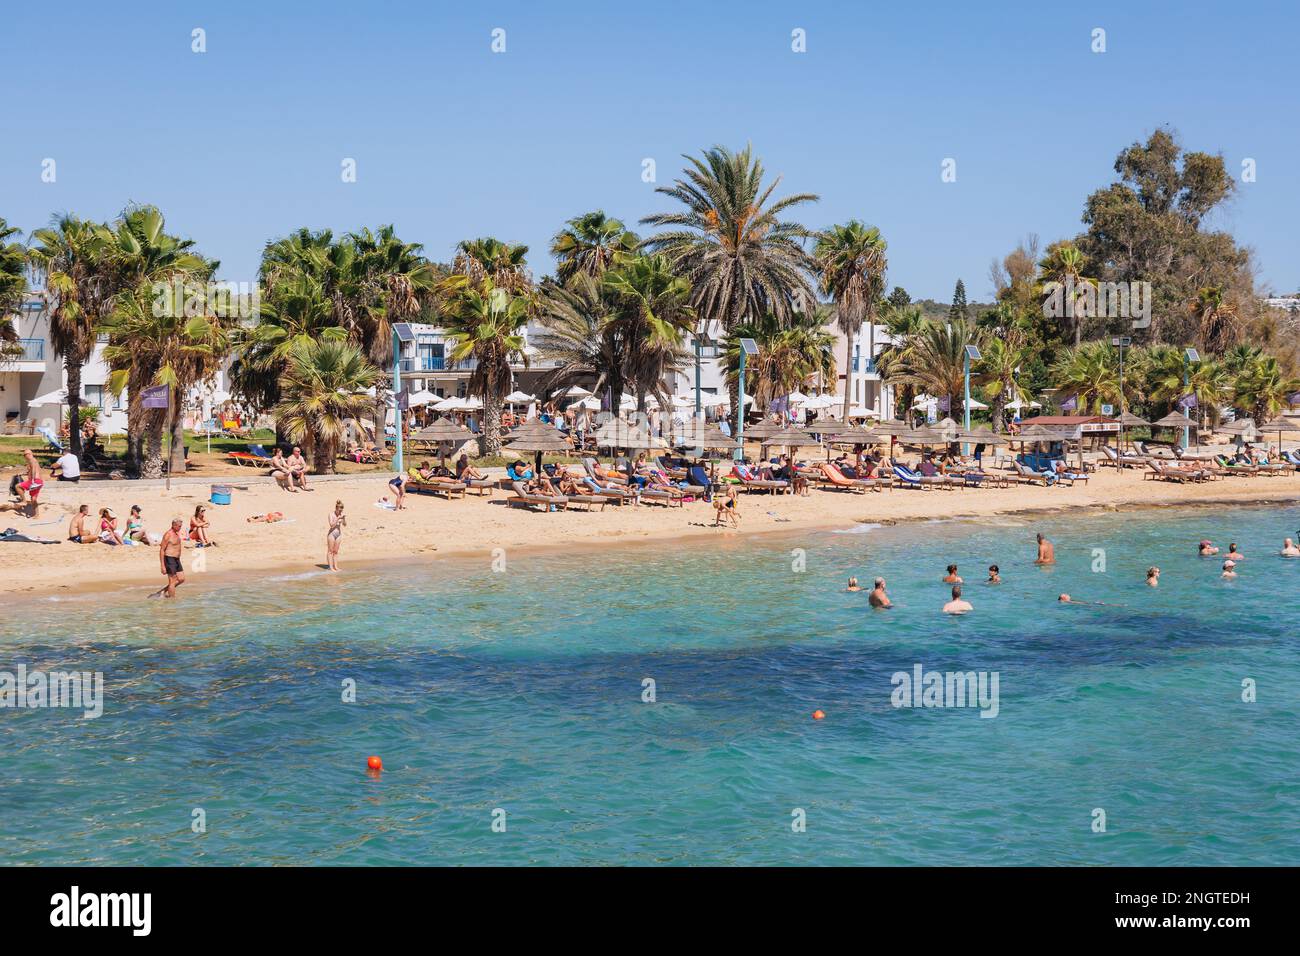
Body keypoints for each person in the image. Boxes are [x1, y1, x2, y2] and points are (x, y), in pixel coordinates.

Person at [152, 518, 186, 598]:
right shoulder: (168, 534)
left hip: (177, 560)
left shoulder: (176, 533)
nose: (180, 528)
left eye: (181, 526)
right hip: (169, 559)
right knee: (172, 581)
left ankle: (162, 592)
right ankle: (172, 600)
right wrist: (162, 565)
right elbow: (162, 550)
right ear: (174, 525)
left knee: (181, 579)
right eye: (179, 526)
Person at [15, 449, 43, 516]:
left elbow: (33, 470)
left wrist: (33, 480)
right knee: (33, 499)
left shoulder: (31, 460)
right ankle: (37, 514)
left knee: (17, 486)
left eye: (24, 455)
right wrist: (22, 474)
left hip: (34, 481)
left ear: (29, 454)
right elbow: (31, 471)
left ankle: (24, 501)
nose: (24, 457)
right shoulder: (34, 460)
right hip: (39, 482)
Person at [326, 500, 346, 571]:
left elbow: (344, 525)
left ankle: (336, 567)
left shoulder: (341, 514)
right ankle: (331, 567)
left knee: (336, 551)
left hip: (338, 534)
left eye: (341, 510)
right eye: (339, 510)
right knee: (330, 551)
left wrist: (343, 519)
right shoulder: (331, 514)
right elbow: (331, 525)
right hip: (331, 534)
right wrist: (337, 519)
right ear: (336, 509)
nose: (340, 512)